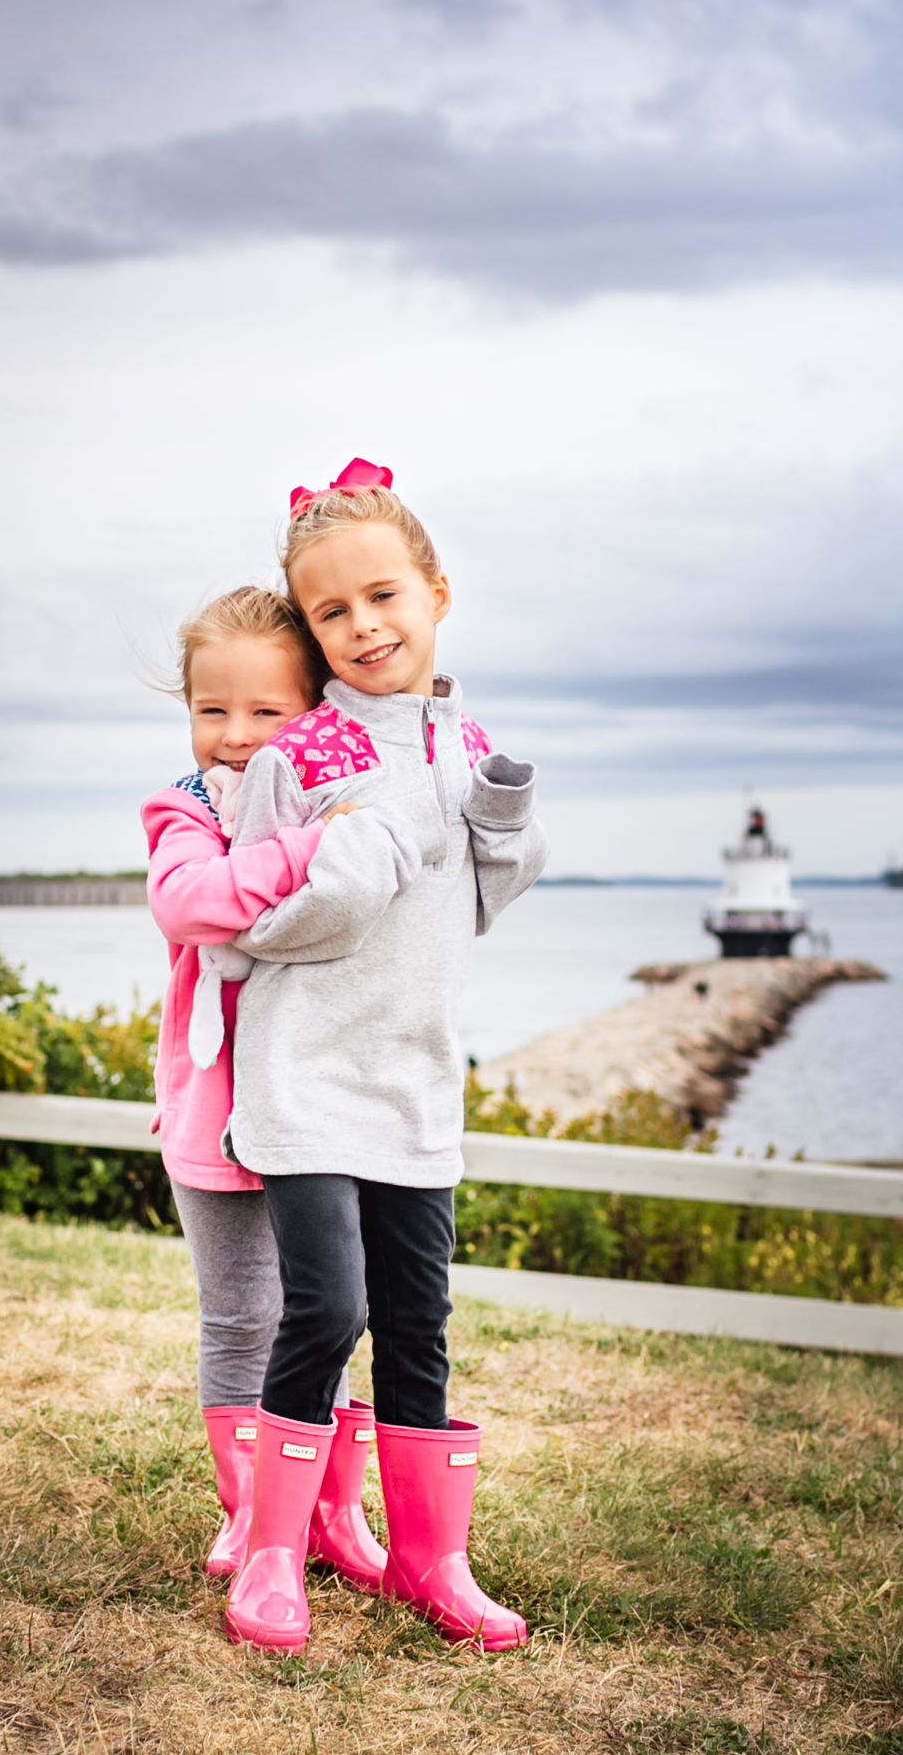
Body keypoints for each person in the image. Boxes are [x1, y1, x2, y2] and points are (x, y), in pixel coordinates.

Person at [221, 460, 548, 1656]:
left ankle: (431, 1558)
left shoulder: (471, 741)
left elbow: (479, 899)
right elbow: (247, 928)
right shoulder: (292, 757)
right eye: (331, 612)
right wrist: (349, 880)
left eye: (383, 596)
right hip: (306, 1073)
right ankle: (272, 1547)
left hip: (416, 1076)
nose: (363, 626)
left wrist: (506, 824)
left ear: (435, 593)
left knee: (420, 1318)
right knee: (330, 1306)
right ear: (309, 630)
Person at [140, 585, 386, 1598]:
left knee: (332, 1308)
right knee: (241, 1314)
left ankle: (333, 1507)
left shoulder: (352, 799)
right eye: (211, 709)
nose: (235, 738)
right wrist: (312, 851)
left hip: (321, 1104)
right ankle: (251, 1509)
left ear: (315, 710)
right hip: (215, 1107)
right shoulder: (184, 807)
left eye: (265, 712)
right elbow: (188, 899)